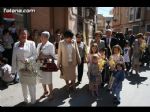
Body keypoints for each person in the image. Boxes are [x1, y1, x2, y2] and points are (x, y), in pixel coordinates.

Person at [11, 28, 37, 104]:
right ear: (19, 35)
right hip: (20, 67)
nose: (24, 35)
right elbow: (14, 57)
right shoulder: (16, 44)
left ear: (27, 35)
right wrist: (13, 70)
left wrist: (28, 60)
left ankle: (33, 100)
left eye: (25, 33)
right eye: (22, 33)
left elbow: (35, 55)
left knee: (31, 84)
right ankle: (26, 98)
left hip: (30, 66)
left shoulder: (31, 43)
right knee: (23, 84)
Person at [37, 31, 55, 100]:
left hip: (47, 64)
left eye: (42, 36)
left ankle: (51, 93)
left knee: (48, 80)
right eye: (40, 36)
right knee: (42, 79)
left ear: (47, 37)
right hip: (40, 64)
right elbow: (37, 54)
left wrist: (44, 56)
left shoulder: (50, 45)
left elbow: (53, 56)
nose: (40, 37)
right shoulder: (39, 45)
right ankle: (45, 91)